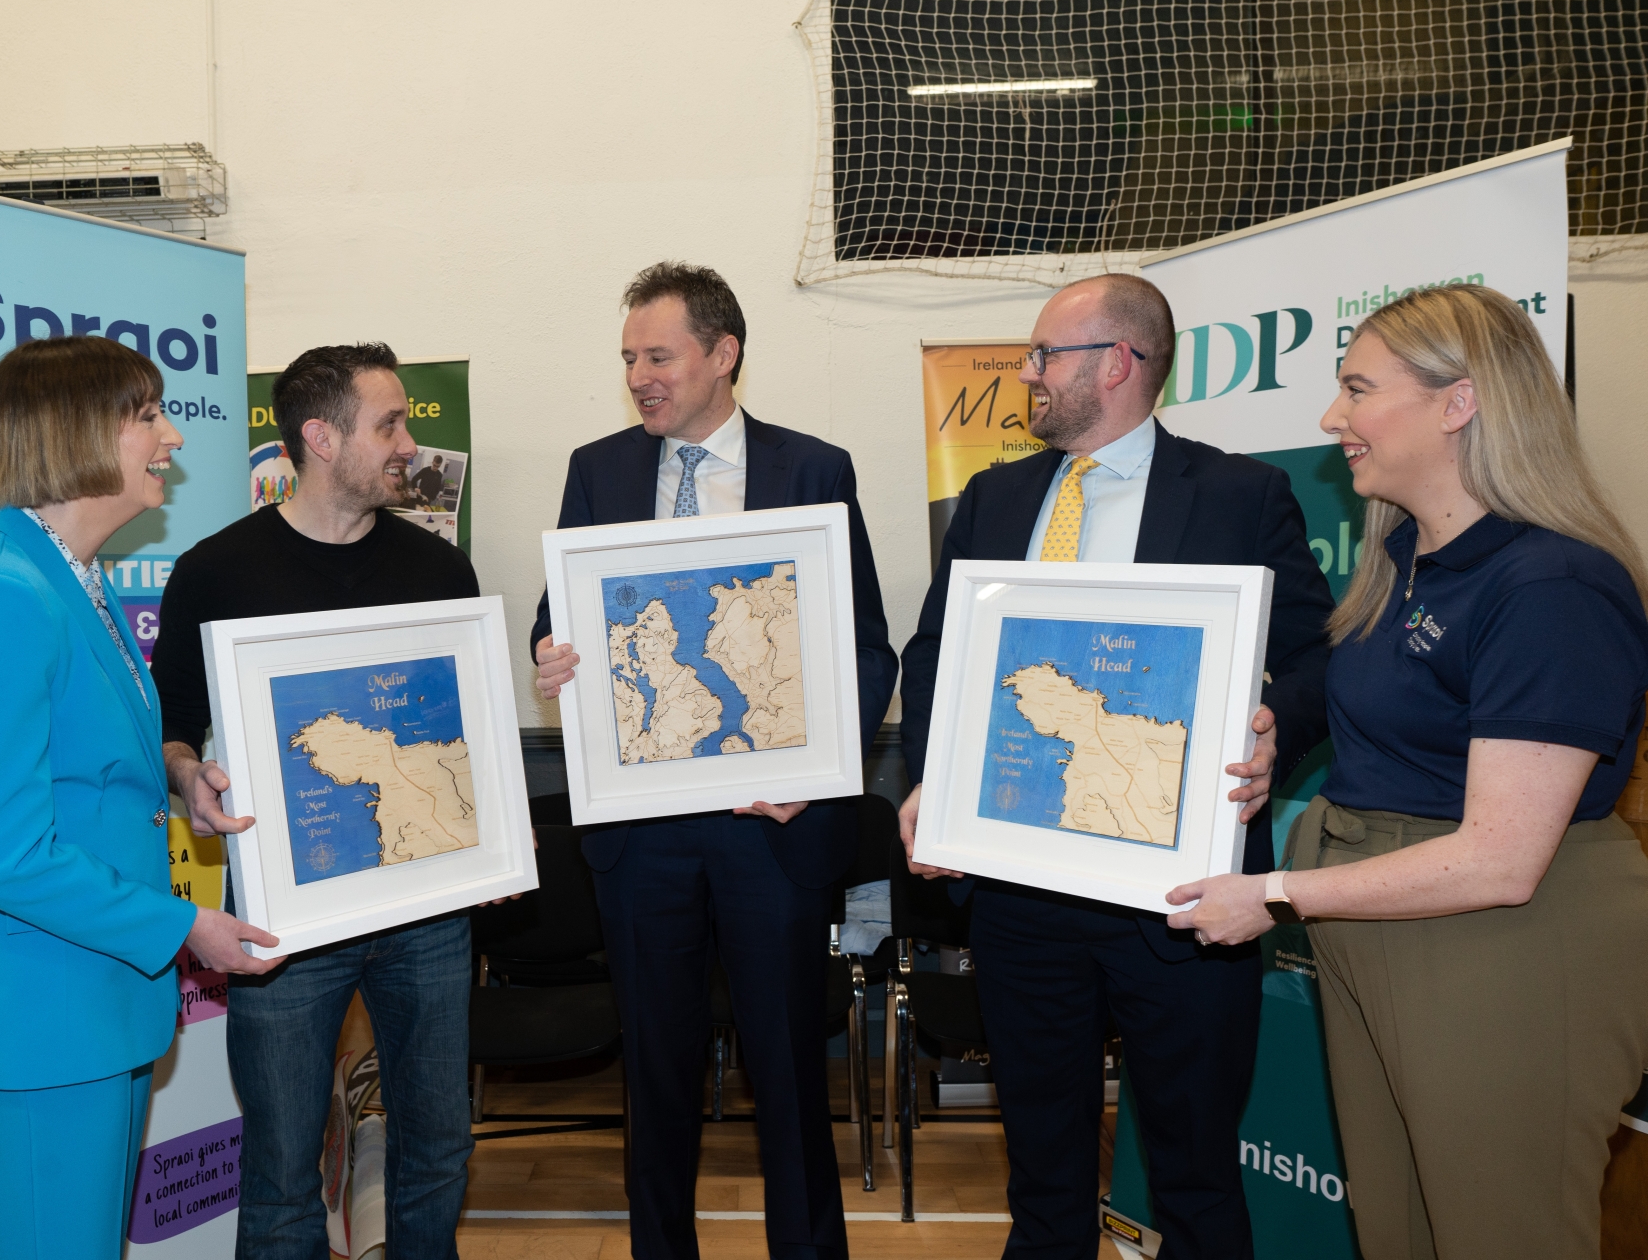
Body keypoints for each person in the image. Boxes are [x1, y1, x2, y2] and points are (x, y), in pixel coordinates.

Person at [1165, 283, 1648, 1260]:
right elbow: (1392, 721)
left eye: (1358, 388)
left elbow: (1499, 859)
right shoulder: (1404, 556)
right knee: (1398, 1227)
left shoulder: (1551, 584)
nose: (1330, 418)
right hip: (1381, 928)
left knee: (1501, 1233)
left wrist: (1275, 891)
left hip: (1502, 944)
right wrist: (1273, 735)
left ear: (1458, 401)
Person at [896, 273, 1337, 1260]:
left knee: (1195, 1176)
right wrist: (932, 778)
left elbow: (1318, 653)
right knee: (1043, 1176)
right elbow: (936, 656)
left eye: (1046, 355)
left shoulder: (1240, 496)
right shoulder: (995, 496)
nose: (1027, 373)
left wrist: (1278, 727)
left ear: (1119, 363)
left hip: (1180, 900)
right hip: (1022, 897)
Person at [0, 335, 279, 1260]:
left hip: (90, 1005)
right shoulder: (1, 598)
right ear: (77, 433)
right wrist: (184, 926)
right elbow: (3, 855)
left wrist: (180, 778)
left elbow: (89, 771)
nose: (174, 435)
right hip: (33, 1020)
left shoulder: (69, 582)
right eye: (148, 415)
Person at [531, 261, 898, 1260]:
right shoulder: (598, 469)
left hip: (772, 829)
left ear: (723, 353)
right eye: (628, 359)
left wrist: (818, 773)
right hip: (640, 835)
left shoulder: (812, 468)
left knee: (788, 1073)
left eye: (658, 355)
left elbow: (866, 647)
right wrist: (549, 653)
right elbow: (559, 615)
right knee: (655, 1077)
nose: (638, 377)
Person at [153, 343, 481, 1260]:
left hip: (428, 910)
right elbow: (169, 727)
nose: (409, 444)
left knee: (438, 1148)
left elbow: (465, 732)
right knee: (282, 1173)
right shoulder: (215, 571)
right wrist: (187, 775)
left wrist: (488, 829)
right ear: (321, 438)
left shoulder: (440, 569)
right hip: (283, 919)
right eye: (390, 424)